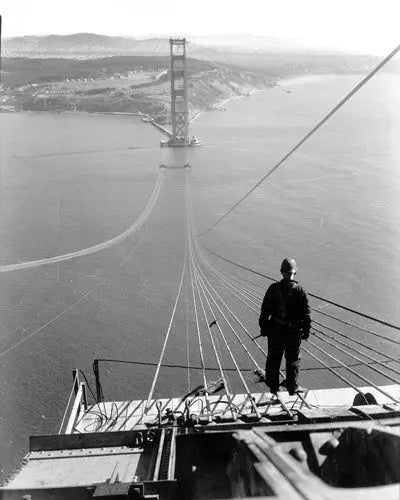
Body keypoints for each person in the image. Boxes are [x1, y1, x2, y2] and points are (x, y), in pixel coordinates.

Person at [259, 258, 311, 395]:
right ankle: (292, 387)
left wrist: (264, 328)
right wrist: (306, 332)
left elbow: (265, 311)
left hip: (275, 331)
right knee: (293, 360)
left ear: (282, 272)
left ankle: (273, 387)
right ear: (295, 272)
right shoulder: (300, 291)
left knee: (273, 358)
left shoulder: (273, 288)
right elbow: (306, 316)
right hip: (293, 333)